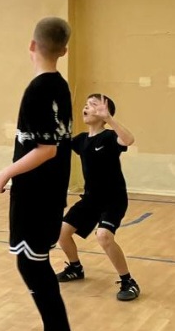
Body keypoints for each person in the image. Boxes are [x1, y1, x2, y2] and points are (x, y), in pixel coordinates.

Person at [0, 17, 92, 331]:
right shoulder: (59, 85)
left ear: (32, 45)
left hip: (36, 194)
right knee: (30, 262)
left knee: (34, 267)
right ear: (63, 50)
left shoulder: (39, 90)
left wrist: (7, 171)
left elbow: (46, 149)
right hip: (46, 193)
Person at [55, 93, 140, 301]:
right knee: (62, 233)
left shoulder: (109, 137)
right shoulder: (81, 140)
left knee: (104, 236)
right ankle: (75, 268)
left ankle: (128, 281)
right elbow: (57, 146)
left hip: (113, 199)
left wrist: (109, 119)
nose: (86, 107)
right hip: (90, 200)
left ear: (104, 113)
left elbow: (128, 140)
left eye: (93, 105)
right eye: (86, 104)